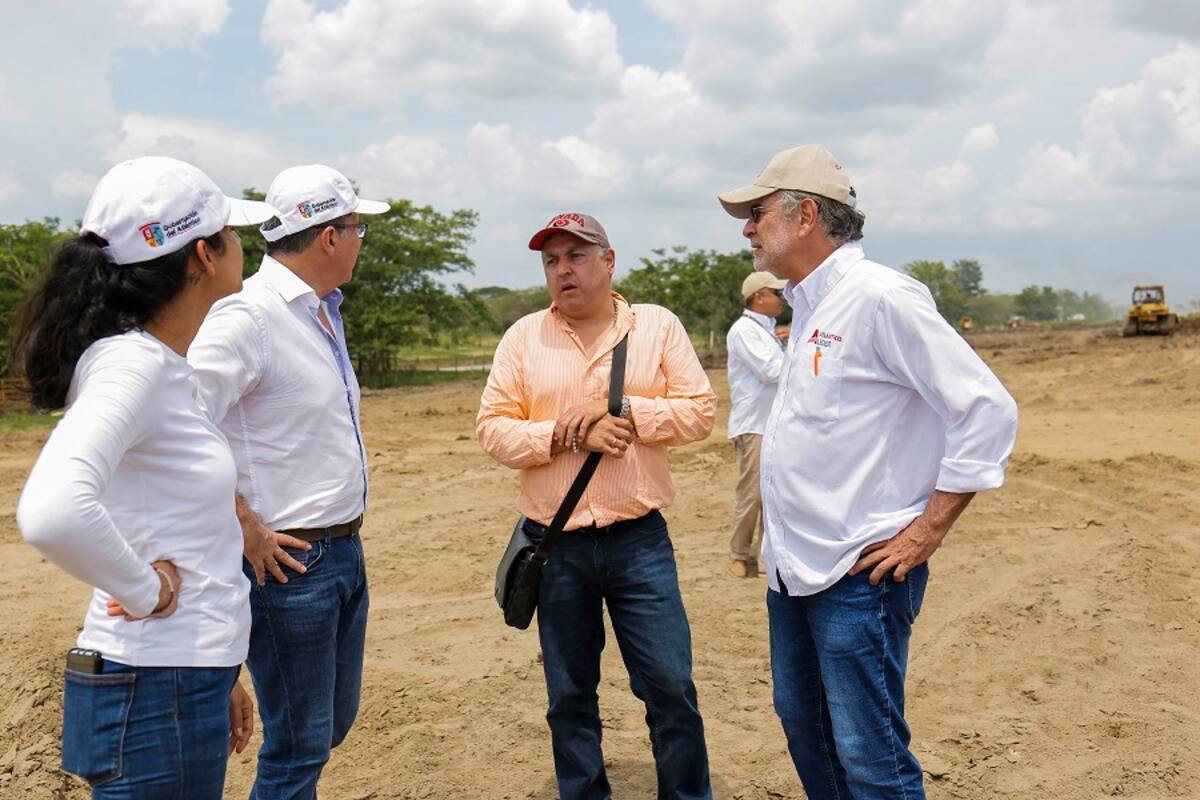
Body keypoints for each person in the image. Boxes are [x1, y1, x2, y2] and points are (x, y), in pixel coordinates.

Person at [717, 145, 1019, 799]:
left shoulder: (879, 298)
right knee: (807, 729)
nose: (746, 227)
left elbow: (986, 409)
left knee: (870, 755)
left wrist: (925, 531)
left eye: (756, 211)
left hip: (860, 571)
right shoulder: (811, 306)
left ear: (804, 217)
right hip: (797, 569)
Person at [14, 156, 275, 797]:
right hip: (156, 688)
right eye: (232, 232)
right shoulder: (133, 365)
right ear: (203, 257)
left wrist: (218, 667)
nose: (244, 244)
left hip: (176, 678)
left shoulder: (156, 363)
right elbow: (51, 511)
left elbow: (172, 526)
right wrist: (145, 591)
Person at [477, 213, 717, 800]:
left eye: (577, 256)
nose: (564, 270)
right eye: (552, 260)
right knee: (569, 694)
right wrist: (565, 434)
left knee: (669, 687)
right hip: (554, 545)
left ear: (608, 262)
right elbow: (492, 430)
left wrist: (631, 413)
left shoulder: (656, 328)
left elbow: (700, 411)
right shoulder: (523, 337)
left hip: (639, 540)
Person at [187, 164, 388, 798]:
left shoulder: (321, 312)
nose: (360, 241)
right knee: (299, 746)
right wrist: (241, 520)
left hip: (342, 550)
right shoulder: (247, 317)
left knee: (325, 728)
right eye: (358, 228)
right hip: (289, 564)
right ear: (329, 237)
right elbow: (178, 421)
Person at [725, 270, 788, 579]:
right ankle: (738, 552)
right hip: (755, 425)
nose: (781, 298)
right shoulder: (744, 331)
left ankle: (766, 558)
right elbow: (772, 371)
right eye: (776, 293)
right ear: (758, 297)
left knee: (774, 492)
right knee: (752, 493)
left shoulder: (766, 331)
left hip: (773, 423)